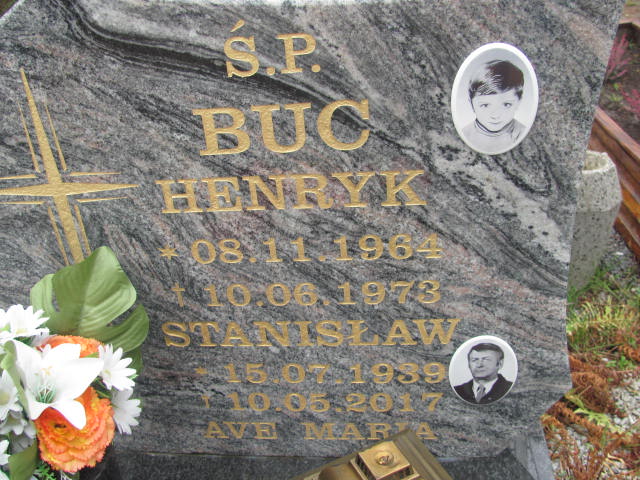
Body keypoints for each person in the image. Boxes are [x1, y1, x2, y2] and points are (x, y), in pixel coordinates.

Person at [461, 60, 525, 154]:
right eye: (485, 105)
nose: (495, 115)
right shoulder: (465, 134)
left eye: (506, 104)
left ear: (519, 102)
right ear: (471, 104)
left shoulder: (522, 134)